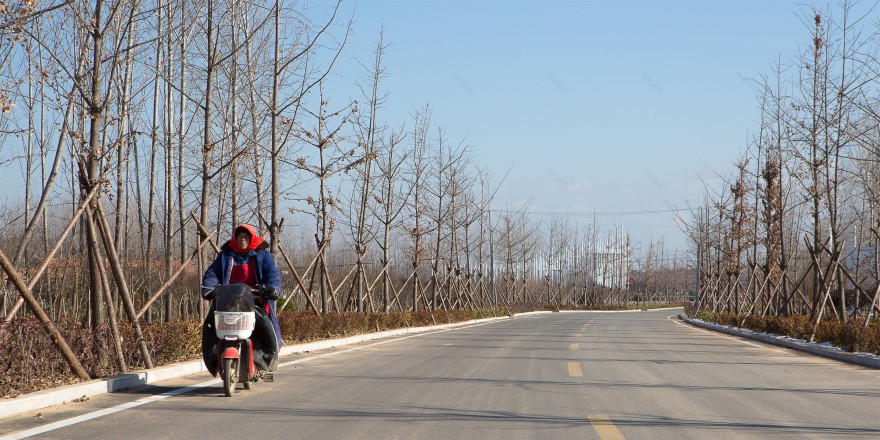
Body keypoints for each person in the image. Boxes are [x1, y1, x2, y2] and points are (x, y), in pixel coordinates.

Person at [201, 224, 282, 373]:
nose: (243, 240)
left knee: (265, 325)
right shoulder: (226, 255)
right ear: (235, 239)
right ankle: (213, 358)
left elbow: (273, 274)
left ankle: (263, 358)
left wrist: (272, 288)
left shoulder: (262, 255)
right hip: (228, 302)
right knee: (210, 326)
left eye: (246, 237)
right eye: (239, 237)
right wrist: (209, 287)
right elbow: (212, 273)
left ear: (252, 238)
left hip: (255, 300)